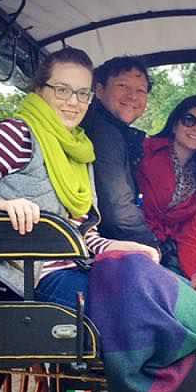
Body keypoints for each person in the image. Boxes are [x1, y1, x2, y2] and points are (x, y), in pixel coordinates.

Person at [0, 47, 160, 296]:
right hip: (23, 284)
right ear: (39, 90)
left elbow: (81, 236)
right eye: (62, 90)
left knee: (150, 277)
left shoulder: (80, 150)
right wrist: (0, 206)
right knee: (138, 298)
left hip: (73, 270)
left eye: (81, 93)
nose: (73, 102)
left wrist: (125, 248)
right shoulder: (16, 135)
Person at [81, 56, 161, 251]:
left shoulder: (113, 130)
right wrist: (155, 247)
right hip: (97, 244)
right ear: (99, 90)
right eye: (123, 86)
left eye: (140, 90)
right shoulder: (104, 132)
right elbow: (117, 213)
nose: (133, 96)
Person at [137, 95, 196, 279]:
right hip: (131, 241)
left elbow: (191, 236)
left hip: (165, 251)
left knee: (185, 291)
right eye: (189, 120)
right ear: (175, 125)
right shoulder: (146, 151)